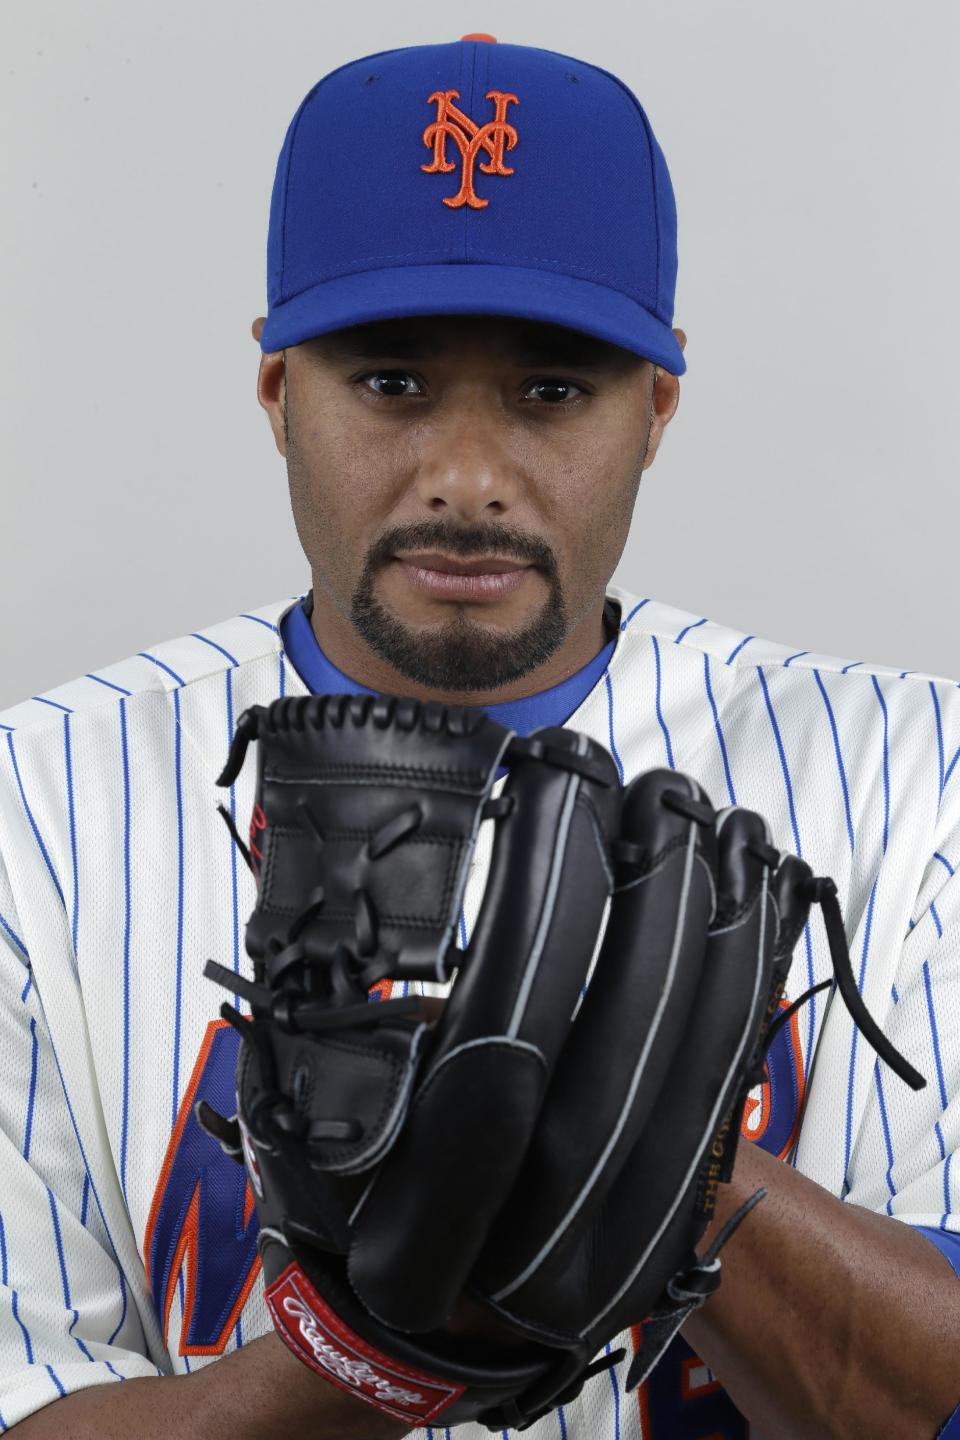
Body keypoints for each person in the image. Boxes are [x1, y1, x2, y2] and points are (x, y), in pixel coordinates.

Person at [1, 32, 958, 1440]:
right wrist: (361, 1352)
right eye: (391, 384)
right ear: (278, 394)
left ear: (659, 411)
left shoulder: (911, 773)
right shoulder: (33, 806)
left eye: (552, 392)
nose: (465, 476)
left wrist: (674, 1178)